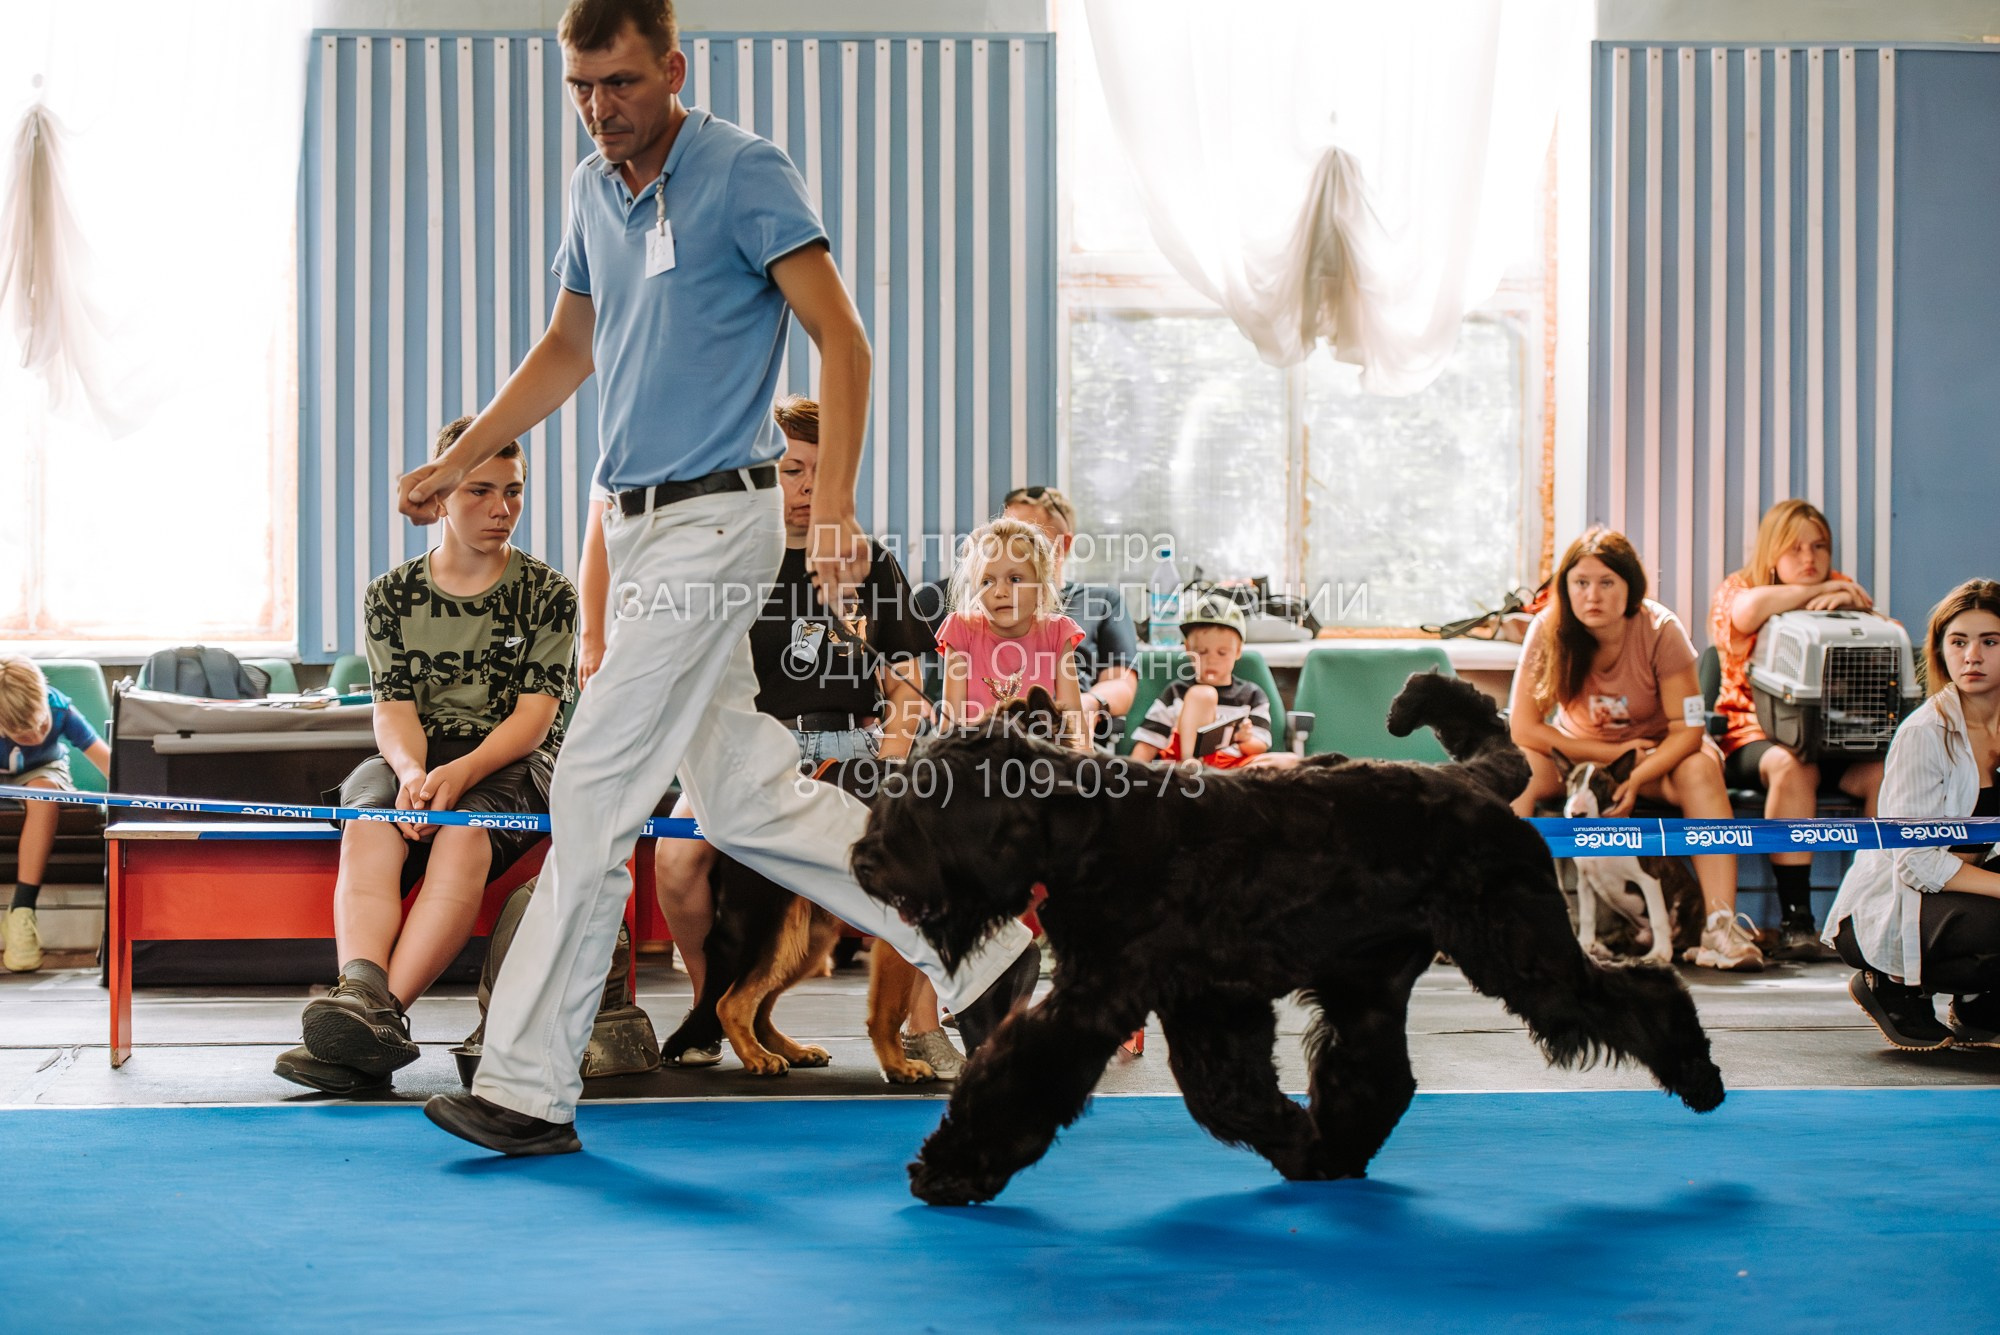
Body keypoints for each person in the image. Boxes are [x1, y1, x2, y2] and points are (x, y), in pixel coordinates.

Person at [404, 0, 1036, 1155]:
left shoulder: (745, 170)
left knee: (591, 789)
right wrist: (457, 460)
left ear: (673, 68)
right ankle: (979, 944)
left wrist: (832, 504)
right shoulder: (594, 193)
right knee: (748, 796)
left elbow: (841, 339)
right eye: (582, 88)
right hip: (635, 527)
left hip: (717, 521)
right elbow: (566, 348)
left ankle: (526, 1085)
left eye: (622, 84)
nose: (601, 110)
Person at [611, 394, 963, 1075]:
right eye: (792, 470)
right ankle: (714, 1004)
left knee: (916, 860)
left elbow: (903, 677)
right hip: (745, 755)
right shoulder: (730, 563)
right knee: (678, 864)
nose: (807, 488)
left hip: (854, 749)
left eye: (820, 472)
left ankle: (918, 1026)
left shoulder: (869, 562)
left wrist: (897, 742)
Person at [274, 418, 578, 1094]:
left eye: (514, 492)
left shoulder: (549, 594)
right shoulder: (390, 595)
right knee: (368, 822)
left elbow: (533, 720)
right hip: (414, 754)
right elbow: (394, 711)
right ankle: (360, 994)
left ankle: (378, 1019)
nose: (502, 509)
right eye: (479, 491)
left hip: (511, 760)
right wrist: (412, 774)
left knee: (462, 839)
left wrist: (460, 772)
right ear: (440, 495)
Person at [1510, 527, 1763, 970]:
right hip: (1581, 759)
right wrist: (1609, 756)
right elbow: (1524, 728)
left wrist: (1637, 773)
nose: (1593, 595)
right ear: (1566, 588)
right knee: (1513, 771)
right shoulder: (1547, 628)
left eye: (1607, 582)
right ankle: (1505, 917)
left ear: (1630, 588)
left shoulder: (1661, 629)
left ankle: (1720, 926)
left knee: (1701, 770)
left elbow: (1687, 730)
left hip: (1656, 756)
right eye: (1581, 583)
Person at [1827, 579, 2000, 1050]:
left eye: (1990, 642)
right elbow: (1915, 860)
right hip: (1900, 899)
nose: (1973, 657)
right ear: (1941, 651)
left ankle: (1982, 1006)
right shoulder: (1924, 732)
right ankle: (1889, 985)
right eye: (1959, 642)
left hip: (1973, 885)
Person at [1710, 499, 1886, 959]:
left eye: (1819, 547)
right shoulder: (1740, 586)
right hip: (1754, 736)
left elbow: (1883, 639)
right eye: (1795, 549)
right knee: (1792, 767)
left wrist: (1849, 598)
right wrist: (1818, 592)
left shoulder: (1842, 587)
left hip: (1834, 737)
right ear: (1771, 553)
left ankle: (1869, 912)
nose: (1809, 559)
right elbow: (1746, 614)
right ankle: (1798, 919)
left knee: (1884, 772)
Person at [1000, 485, 1140, 743]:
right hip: (1000, 735)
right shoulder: (986, 603)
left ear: (1063, 544)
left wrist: (1090, 703)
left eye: (1029, 539)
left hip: (1069, 737)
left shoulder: (1102, 602)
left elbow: (1122, 683)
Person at [0, 658, 114, 973]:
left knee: (44, 792)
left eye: (42, 724)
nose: (37, 734)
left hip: (42, 770)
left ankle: (22, 909)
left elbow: (110, 764)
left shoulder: (59, 709)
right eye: (24, 733)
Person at [937, 518, 1088, 747]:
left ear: (1040, 588)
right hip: (976, 761)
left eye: (1015, 579)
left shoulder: (1057, 633)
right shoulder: (960, 629)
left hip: (1039, 763)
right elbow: (950, 728)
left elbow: (1076, 730)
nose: (1000, 592)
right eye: (987, 582)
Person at [1127, 597, 1290, 769]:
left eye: (1222, 653)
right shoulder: (1176, 692)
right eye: (1202, 652)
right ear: (1188, 650)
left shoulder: (1252, 695)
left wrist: (1244, 738)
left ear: (1238, 651)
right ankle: (1193, 767)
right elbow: (1149, 741)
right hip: (1181, 766)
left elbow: (1260, 744)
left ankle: (1216, 779)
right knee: (1203, 694)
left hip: (1230, 768)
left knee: (1289, 762)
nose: (1211, 660)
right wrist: (1132, 774)